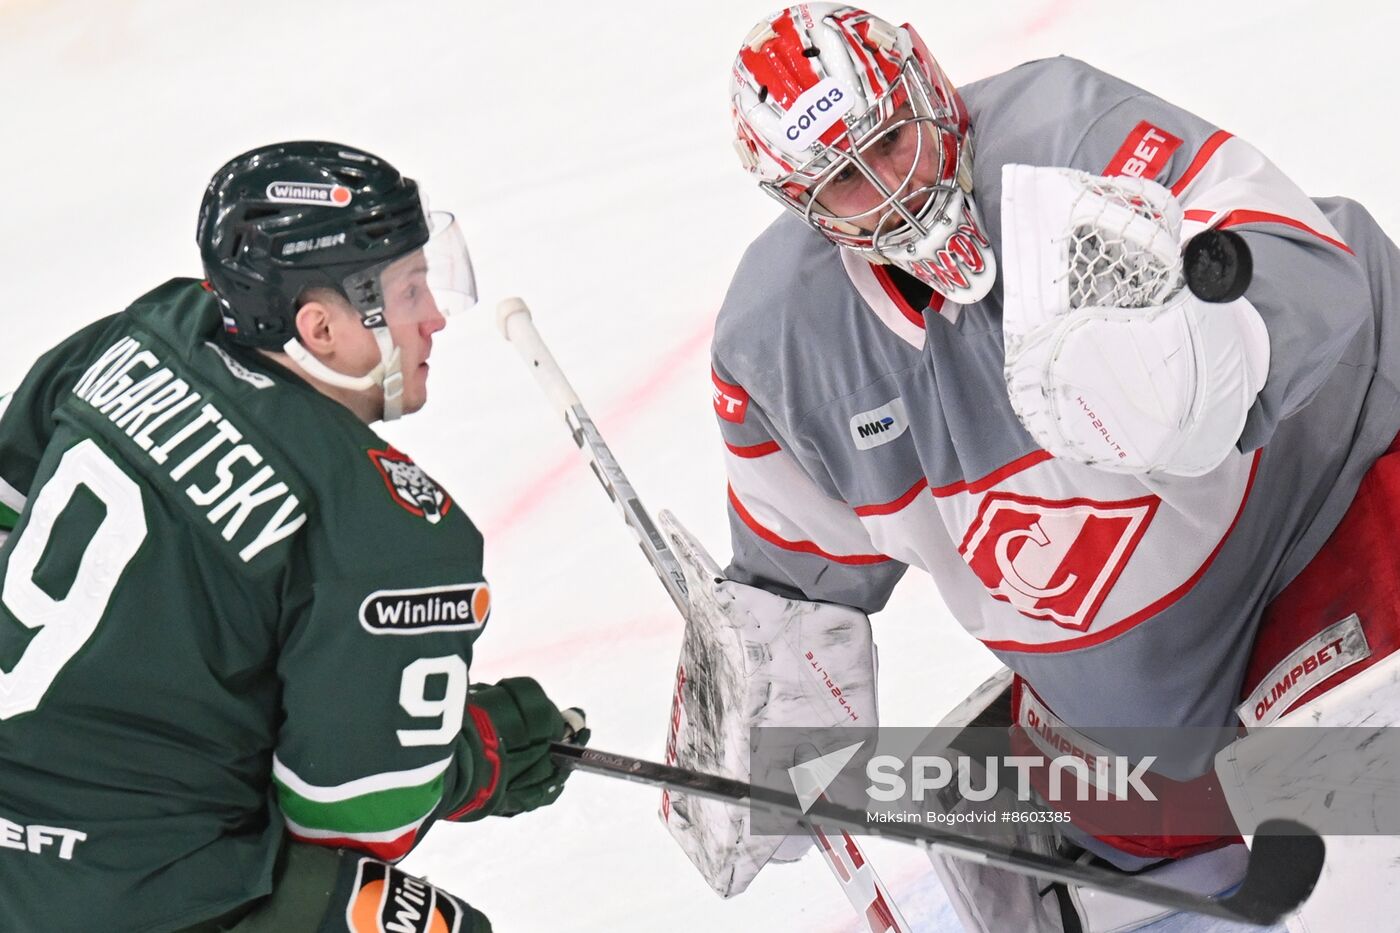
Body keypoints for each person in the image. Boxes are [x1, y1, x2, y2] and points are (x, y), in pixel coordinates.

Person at [657, 5, 1400, 931]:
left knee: (1354, 774)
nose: (889, 192)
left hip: (1316, 526)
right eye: (846, 179)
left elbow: (1306, 261)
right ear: (802, 205)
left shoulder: (1068, 131)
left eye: (891, 142)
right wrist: (762, 710)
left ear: (930, 91)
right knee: (1075, 812)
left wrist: (1215, 350)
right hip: (1133, 720)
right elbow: (795, 580)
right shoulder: (783, 341)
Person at [0, 141, 585, 933]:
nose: (435, 315)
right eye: (411, 288)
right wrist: (471, 758)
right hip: (132, 888)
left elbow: (10, 487)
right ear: (319, 326)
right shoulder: (388, 531)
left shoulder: (145, 330)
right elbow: (352, 818)